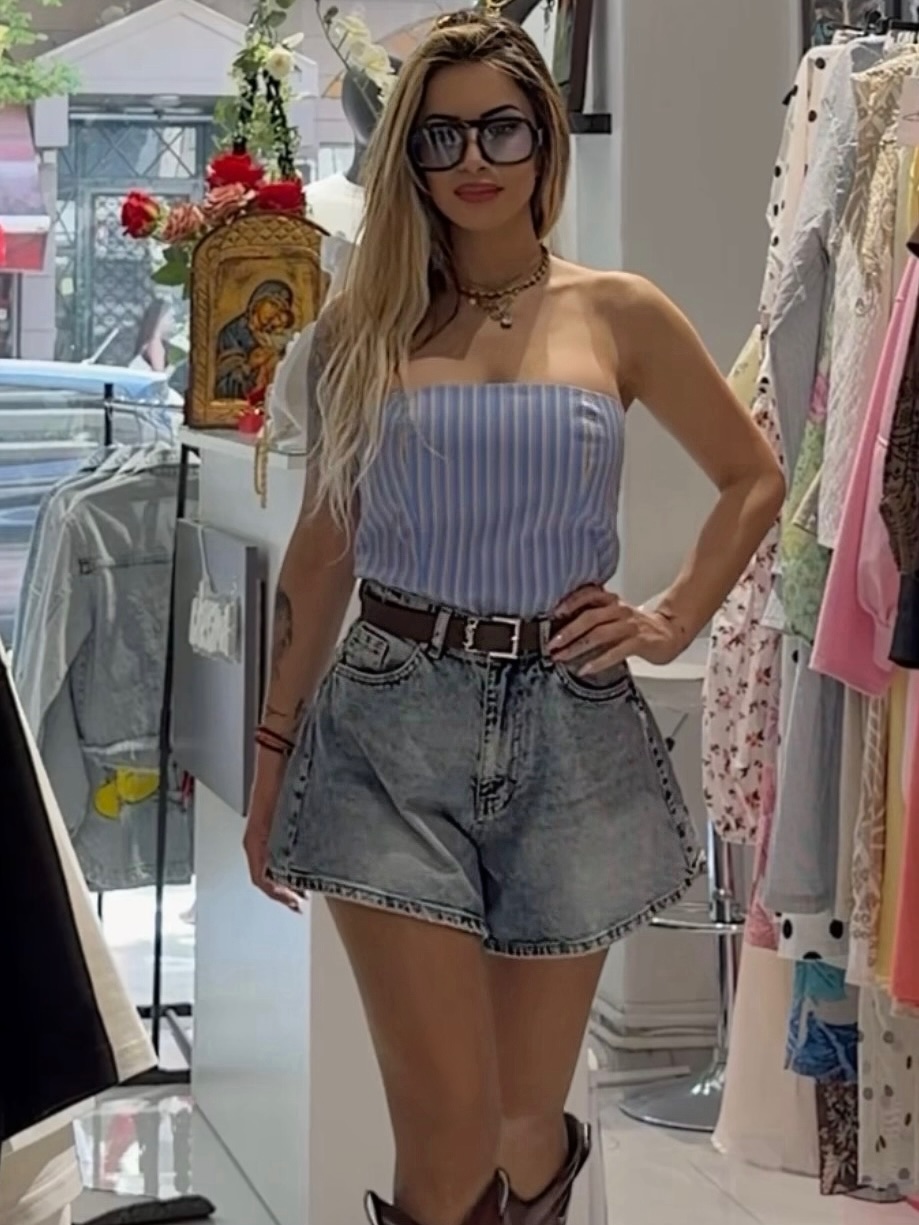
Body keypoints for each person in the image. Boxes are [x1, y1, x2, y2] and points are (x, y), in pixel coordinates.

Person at [243, 12, 785, 1225]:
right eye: (439, 136)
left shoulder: (618, 311)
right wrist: (272, 756)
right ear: (407, 158)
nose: (472, 159)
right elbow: (322, 557)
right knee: (444, 1129)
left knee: (521, 1116)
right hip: (387, 725)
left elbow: (753, 476)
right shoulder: (357, 333)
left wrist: (668, 617)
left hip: (567, 730)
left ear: (545, 138)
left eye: (500, 127)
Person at [130, 298, 174, 374]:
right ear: (160, 319)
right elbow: (159, 376)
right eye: (170, 317)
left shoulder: (151, 341)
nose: (173, 321)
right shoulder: (155, 344)